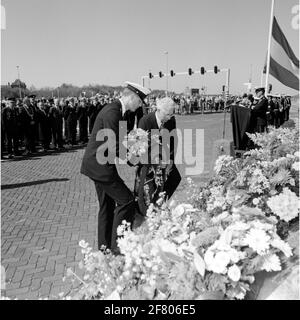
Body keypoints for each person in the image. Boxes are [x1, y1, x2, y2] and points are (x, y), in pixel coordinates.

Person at [80, 81, 151, 254]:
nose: (139, 106)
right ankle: (117, 245)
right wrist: (135, 161)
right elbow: (115, 146)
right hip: (100, 167)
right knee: (126, 201)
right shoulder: (113, 112)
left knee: (107, 206)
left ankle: (105, 249)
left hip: (99, 165)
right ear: (131, 97)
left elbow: (122, 139)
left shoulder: (118, 111)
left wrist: (138, 142)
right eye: (139, 102)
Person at [135, 97, 181, 215]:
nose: (169, 117)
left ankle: (160, 201)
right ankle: (147, 209)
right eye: (167, 114)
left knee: (175, 177)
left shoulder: (171, 120)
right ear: (158, 110)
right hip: (148, 160)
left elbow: (172, 141)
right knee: (150, 187)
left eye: (172, 114)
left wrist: (170, 160)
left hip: (164, 157)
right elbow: (139, 145)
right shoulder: (145, 121)